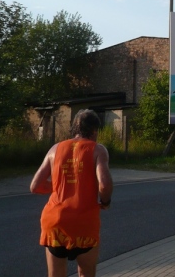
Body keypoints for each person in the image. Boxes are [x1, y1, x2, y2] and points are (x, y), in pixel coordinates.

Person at [30, 109, 113, 277]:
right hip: (84, 223)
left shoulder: (55, 149)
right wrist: (105, 202)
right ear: (94, 130)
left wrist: (61, 186)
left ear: (74, 128)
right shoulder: (98, 150)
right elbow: (104, 185)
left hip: (55, 222)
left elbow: (35, 186)